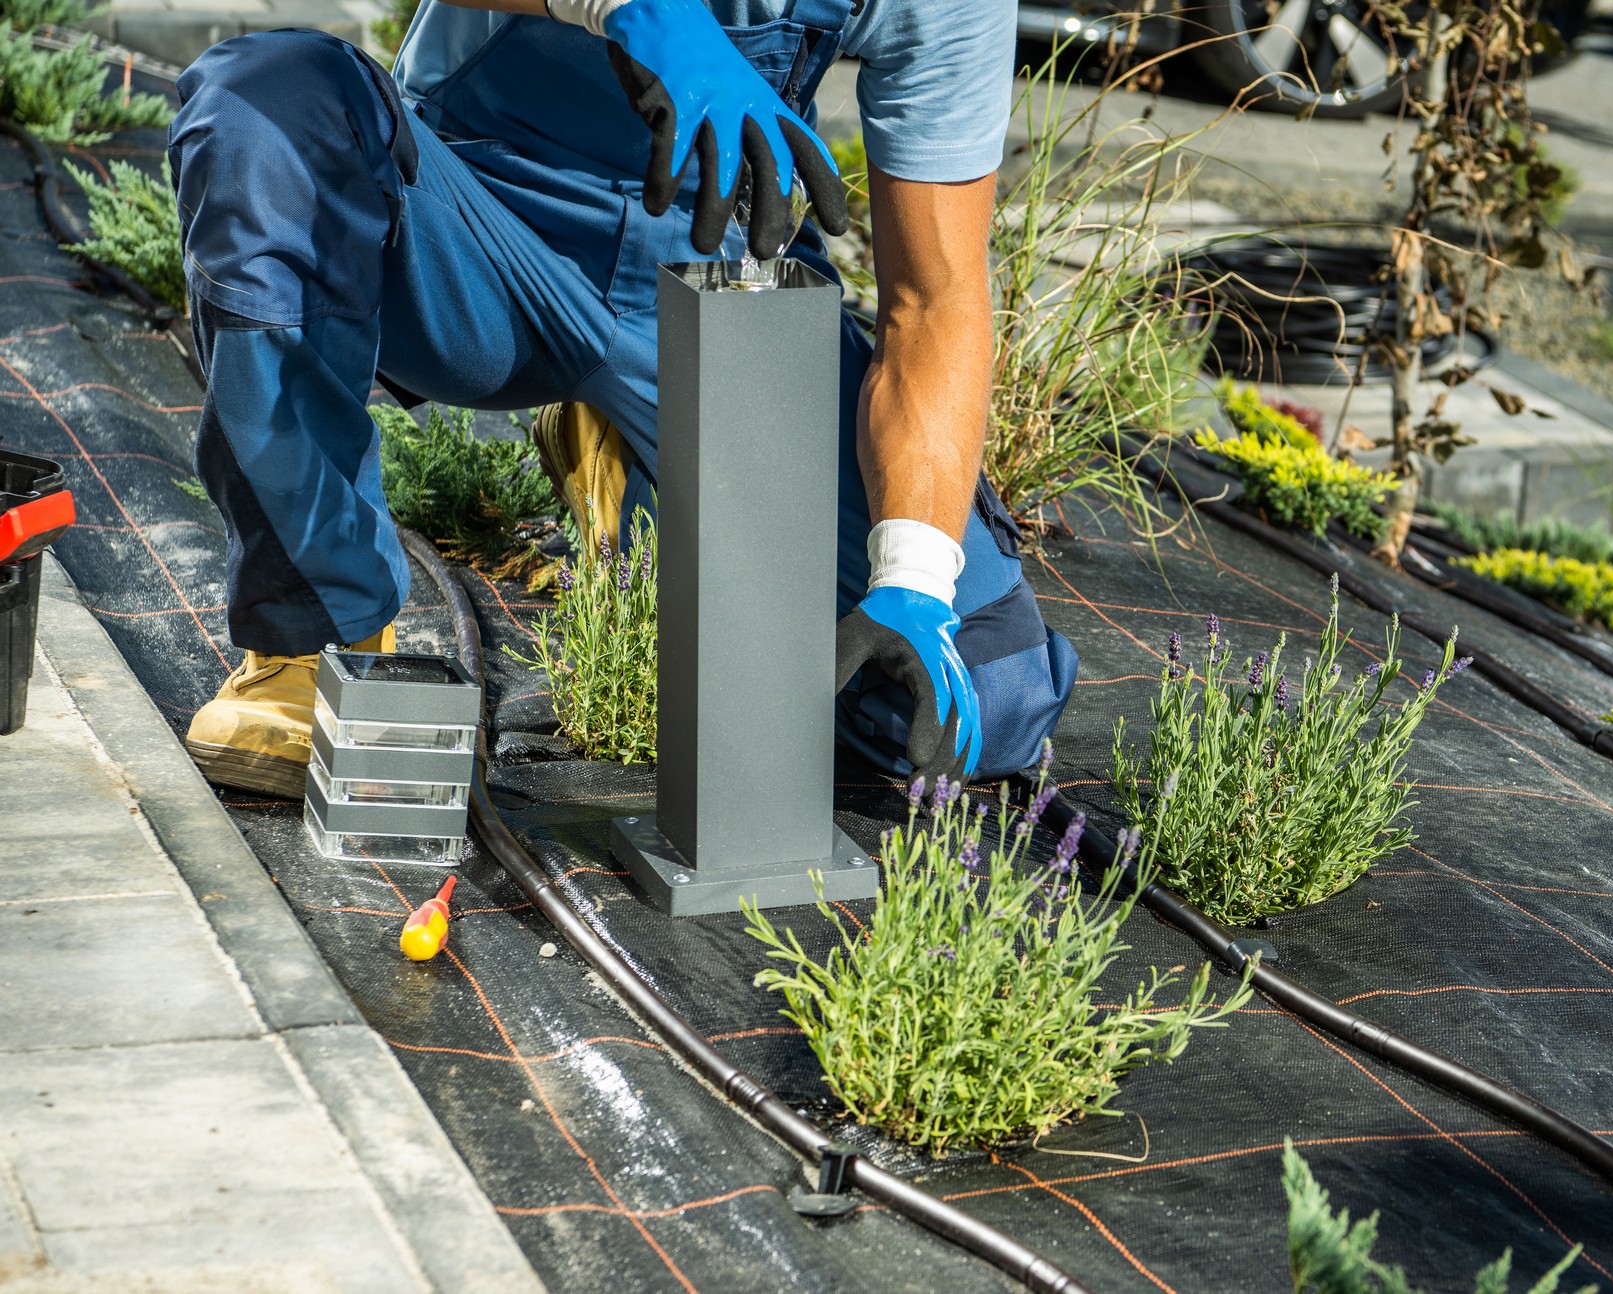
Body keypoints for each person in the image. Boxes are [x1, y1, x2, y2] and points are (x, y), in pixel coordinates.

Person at [168, 0, 1077, 799]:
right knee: (267, 103)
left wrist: (913, 578)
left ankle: (634, 477)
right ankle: (311, 640)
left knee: (978, 703)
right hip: (476, 235)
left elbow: (935, 300)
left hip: (711, 283)